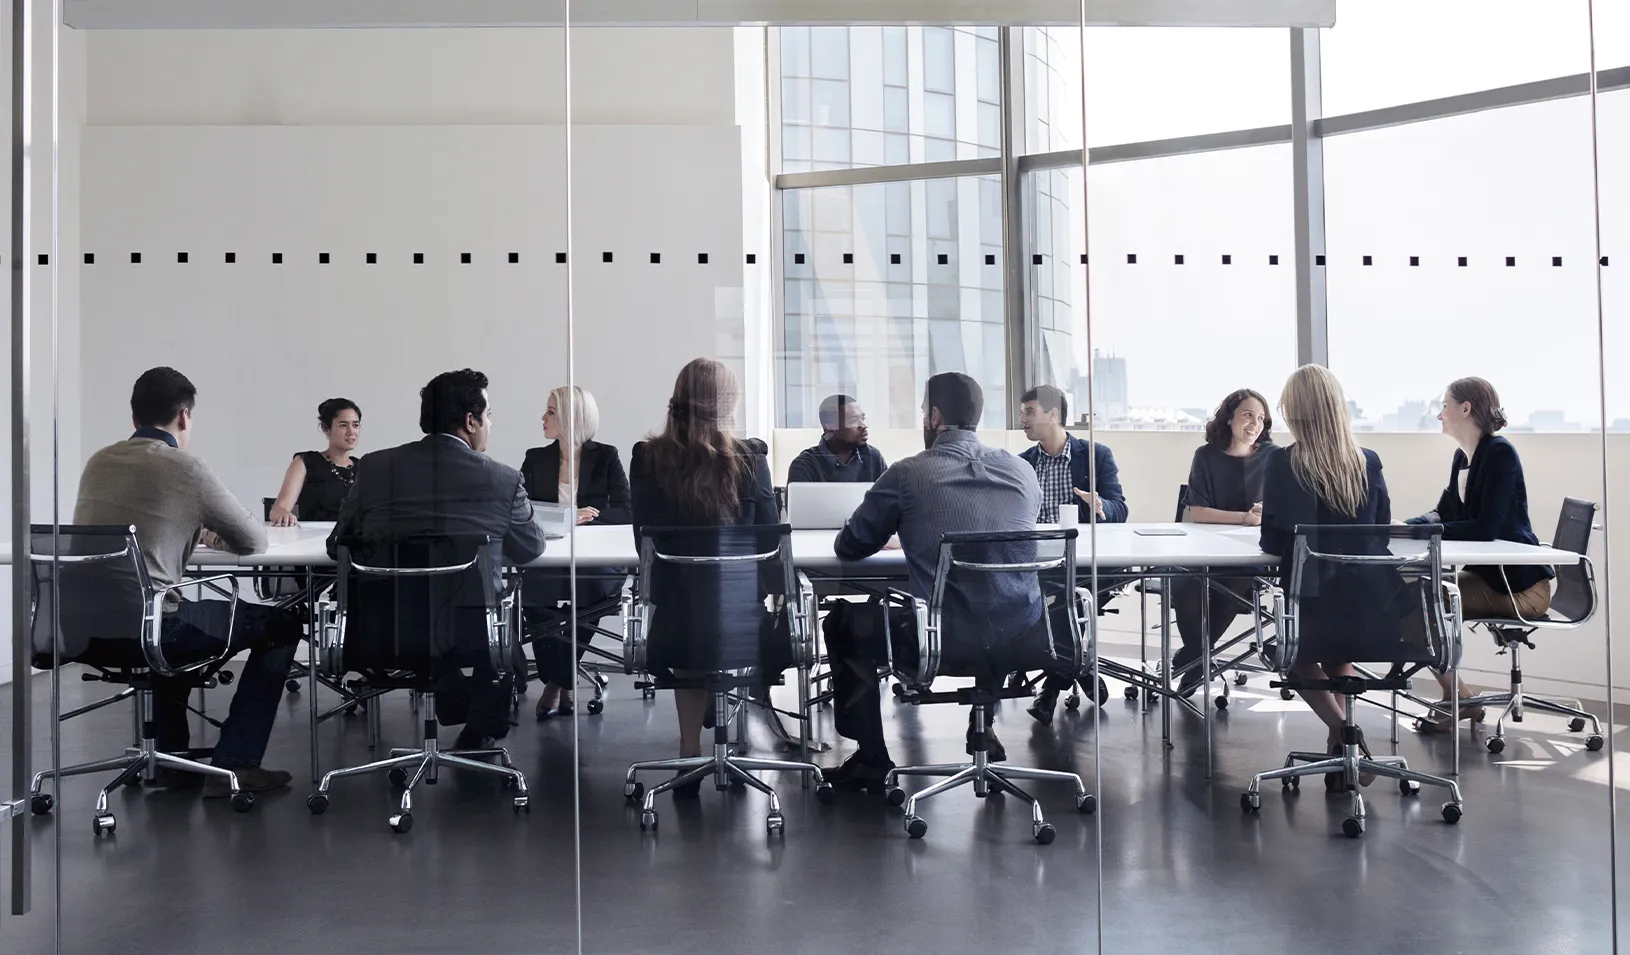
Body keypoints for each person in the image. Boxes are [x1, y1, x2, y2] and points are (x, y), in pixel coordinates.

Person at [74, 367, 302, 795]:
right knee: (282, 625)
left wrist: (194, 528)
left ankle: (171, 756)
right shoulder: (186, 467)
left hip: (85, 623)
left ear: (134, 417)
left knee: (167, 615)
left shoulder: (98, 461)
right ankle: (236, 762)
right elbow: (252, 540)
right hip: (154, 624)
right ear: (183, 417)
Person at [821, 372, 1044, 791]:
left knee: (844, 622)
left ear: (936, 417)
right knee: (992, 600)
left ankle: (871, 759)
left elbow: (850, 545)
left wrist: (905, 529)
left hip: (942, 638)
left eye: (925, 412)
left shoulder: (907, 474)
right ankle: (983, 724)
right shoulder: (1021, 470)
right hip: (1024, 633)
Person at [327, 368, 546, 750]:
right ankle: (477, 730)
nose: (489, 423)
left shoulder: (375, 468)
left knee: (433, 618)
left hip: (382, 630)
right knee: (492, 618)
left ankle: (463, 710)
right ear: (470, 421)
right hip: (472, 634)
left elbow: (337, 545)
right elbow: (530, 548)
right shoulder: (502, 479)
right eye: (489, 415)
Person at [628, 358, 781, 798]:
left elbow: (645, 543)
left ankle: (689, 748)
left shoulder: (647, 457)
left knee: (693, 640)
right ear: (728, 403)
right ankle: (719, 739)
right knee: (721, 621)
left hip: (675, 616)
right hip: (741, 621)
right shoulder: (750, 458)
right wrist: (777, 594)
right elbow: (769, 539)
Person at [1260, 364, 1392, 787]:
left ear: (1295, 413)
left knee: (1294, 652)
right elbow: (1382, 528)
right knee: (1339, 651)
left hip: (1310, 598)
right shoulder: (1367, 462)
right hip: (1369, 603)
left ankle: (1341, 731)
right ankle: (1345, 753)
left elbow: (1272, 540)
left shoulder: (1283, 463)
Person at [1405, 377, 1553, 733]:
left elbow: (1486, 527)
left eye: (1444, 406)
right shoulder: (1463, 457)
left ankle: (1458, 700)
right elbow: (1443, 512)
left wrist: (1426, 530)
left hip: (1519, 589)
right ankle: (1460, 698)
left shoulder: (1500, 453)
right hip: (1492, 578)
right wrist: (1405, 526)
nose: (1440, 414)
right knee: (1409, 593)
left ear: (1465, 408)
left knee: (1419, 605)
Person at [519, 385, 631, 720]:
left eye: (550, 411)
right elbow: (520, 509)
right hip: (548, 556)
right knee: (536, 592)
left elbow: (627, 510)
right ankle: (561, 680)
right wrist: (565, 517)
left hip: (594, 559)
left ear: (572, 418)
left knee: (587, 588)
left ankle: (556, 683)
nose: (543, 418)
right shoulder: (535, 458)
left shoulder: (606, 456)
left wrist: (588, 517)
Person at [1016, 384, 1123, 721]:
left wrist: (1101, 504)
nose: (1022, 419)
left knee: (1066, 601)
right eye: (1022, 412)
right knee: (1062, 602)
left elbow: (1121, 509)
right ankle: (1081, 669)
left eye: (1029, 412)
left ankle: (1051, 687)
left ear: (1053, 415)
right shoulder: (1022, 464)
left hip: (1086, 559)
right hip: (1039, 561)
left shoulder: (1096, 455)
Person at [1169, 388, 1276, 697]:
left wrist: (1264, 511)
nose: (1255, 424)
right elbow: (1198, 512)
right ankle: (1198, 658)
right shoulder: (1205, 456)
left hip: (1250, 553)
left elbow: (1283, 504)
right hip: (1203, 548)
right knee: (1182, 581)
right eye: (1247, 415)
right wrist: (1243, 517)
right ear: (1229, 419)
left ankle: (1193, 658)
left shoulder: (1273, 456)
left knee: (1235, 580)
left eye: (1261, 419)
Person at [268, 398, 362, 525]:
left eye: (355, 425)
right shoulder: (305, 462)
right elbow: (279, 508)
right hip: (314, 540)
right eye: (343, 425)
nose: (351, 432)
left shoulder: (364, 467)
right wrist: (283, 514)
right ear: (325, 429)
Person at [786, 393, 888, 483]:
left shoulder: (873, 457)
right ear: (830, 427)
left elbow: (890, 502)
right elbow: (799, 505)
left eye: (862, 418)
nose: (863, 425)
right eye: (853, 420)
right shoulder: (805, 465)